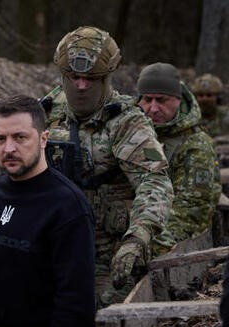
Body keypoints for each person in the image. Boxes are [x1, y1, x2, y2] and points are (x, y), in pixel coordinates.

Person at [41, 26, 174, 306]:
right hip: (53, 243)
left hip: (107, 252)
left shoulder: (126, 122)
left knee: (99, 321)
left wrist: (138, 236)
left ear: (106, 77)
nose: (81, 86)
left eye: (91, 79)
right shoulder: (47, 112)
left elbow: (155, 182)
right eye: (74, 77)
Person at [0, 94, 96, 327]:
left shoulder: (67, 207)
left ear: (43, 139)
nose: (9, 148)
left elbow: (76, 298)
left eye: (20, 137)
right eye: (0, 139)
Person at [136, 63, 221, 255]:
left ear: (178, 99)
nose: (153, 108)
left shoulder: (195, 145)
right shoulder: (129, 133)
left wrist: (147, 247)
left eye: (161, 100)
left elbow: (192, 211)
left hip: (162, 239)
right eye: (147, 99)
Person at [190, 73, 229, 138]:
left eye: (209, 95)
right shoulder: (191, 118)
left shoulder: (225, 115)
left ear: (218, 97)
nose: (205, 99)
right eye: (201, 95)